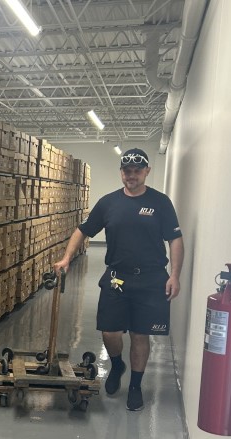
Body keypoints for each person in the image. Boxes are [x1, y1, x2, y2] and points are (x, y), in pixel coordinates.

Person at [53, 148, 184, 411]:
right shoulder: (108, 203)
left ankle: (135, 386)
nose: (131, 175)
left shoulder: (160, 202)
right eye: (127, 171)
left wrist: (175, 275)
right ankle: (116, 364)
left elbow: (175, 239)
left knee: (139, 335)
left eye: (137, 171)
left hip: (150, 280)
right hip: (117, 278)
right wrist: (66, 258)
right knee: (110, 332)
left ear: (146, 171)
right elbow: (83, 230)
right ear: (121, 172)